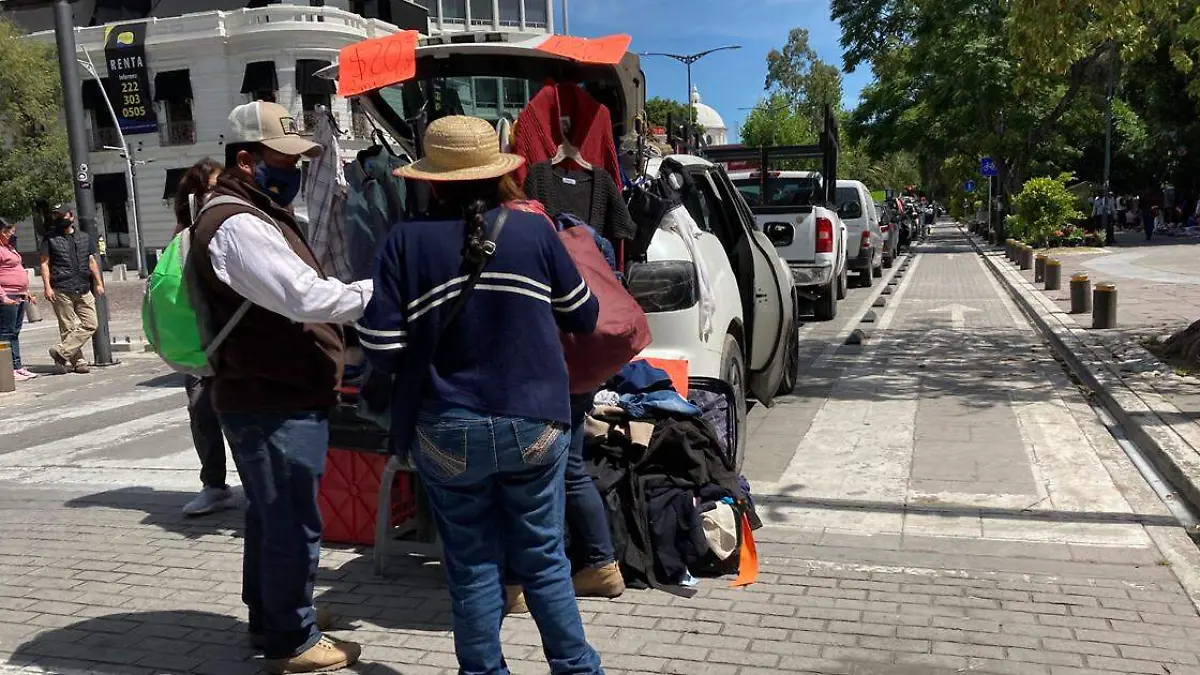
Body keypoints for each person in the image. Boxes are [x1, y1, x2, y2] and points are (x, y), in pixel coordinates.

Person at [359, 115, 604, 675]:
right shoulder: (534, 230)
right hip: (536, 423)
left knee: (471, 567)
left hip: (447, 430)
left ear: (429, 178)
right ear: (498, 172)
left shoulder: (403, 242)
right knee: (544, 559)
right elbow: (584, 315)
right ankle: (576, 668)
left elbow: (381, 348)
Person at [191, 101, 373, 674]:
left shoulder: (251, 211)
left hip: (271, 393)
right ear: (246, 160)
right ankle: (291, 639)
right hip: (269, 397)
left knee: (273, 515)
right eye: (283, 158)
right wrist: (379, 291)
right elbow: (303, 296)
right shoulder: (238, 223)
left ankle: (275, 618)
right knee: (291, 519)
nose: (294, 170)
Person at [174, 158, 237, 517]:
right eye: (208, 189)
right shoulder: (184, 235)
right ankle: (214, 484)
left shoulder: (235, 224)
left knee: (239, 411)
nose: (214, 195)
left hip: (232, 337)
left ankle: (255, 484)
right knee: (201, 410)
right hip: (198, 339)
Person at [39, 204, 103, 374]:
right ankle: (79, 361)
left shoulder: (84, 237)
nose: (59, 219)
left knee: (91, 324)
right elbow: (44, 264)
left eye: (62, 216)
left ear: (71, 216)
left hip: (83, 286)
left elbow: (91, 261)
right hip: (61, 287)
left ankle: (61, 352)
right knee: (67, 327)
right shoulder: (50, 238)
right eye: (56, 216)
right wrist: (47, 287)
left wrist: (98, 282)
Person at [0, 219, 37, 382]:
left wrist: (25, 291)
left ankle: (17, 366)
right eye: (10, 232)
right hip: (7, 295)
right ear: (2, 232)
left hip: (18, 294)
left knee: (14, 332)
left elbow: (16, 270)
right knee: (5, 333)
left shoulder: (10, 248)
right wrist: (3, 297)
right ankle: (7, 368)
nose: (14, 235)